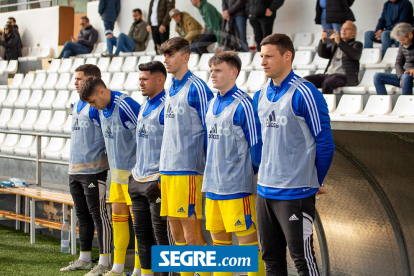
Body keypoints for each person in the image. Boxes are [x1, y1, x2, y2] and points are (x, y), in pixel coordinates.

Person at [253, 33, 335, 275]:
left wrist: (315, 181)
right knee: (271, 259)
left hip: (295, 192)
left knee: (302, 259)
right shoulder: (260, 94)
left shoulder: (306, 92)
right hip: (265, 191)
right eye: (261, 56)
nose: (263, 61)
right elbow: (259, 143)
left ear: (287, 56)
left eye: (269, 56)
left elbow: (325, 143)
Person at [204, 51, 265, 276]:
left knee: (248, 245)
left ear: (234, 72)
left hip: (237, 187)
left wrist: (248, 174)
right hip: (212, 187)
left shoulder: (244, 104)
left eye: (218, 70)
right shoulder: (210, 105)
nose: (213, 75)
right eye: (211, 70)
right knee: (220, 246)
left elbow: (257, 145)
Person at [158, 37, 213, 276]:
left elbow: (212, 128)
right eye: (164, 54)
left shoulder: (198, 87)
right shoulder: (170, 87)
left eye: (171, 54)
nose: (166, 59)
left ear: (186, 56)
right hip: (168, 171)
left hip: (188, 171)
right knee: (177, 235)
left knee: (192, 236)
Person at [79, 78, 142, 276]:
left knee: (139, 223)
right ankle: (118, 267)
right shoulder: (96, 109)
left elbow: (144, 134)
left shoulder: (126, 105)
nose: (91, 106)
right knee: (119, 220)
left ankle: (140, 269)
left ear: (102, 93)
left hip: (134, 176)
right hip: (116, 176)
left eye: (92, 101)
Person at [59, 64, 112, 276]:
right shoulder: (77, 104)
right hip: (75, 169)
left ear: (91, 80)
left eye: (79, 78)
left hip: (94, 171)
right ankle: (85, 258)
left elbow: (109, 138)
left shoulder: (97, 106)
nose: (75, 82)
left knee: (99, 215)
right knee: (82, 215)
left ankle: (106, 261)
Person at [129, 61, 173, 276]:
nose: (141, 83)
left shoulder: (169, 105)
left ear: (160, 80)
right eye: (140, 79)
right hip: (138, 177)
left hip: (157, 179)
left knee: (161, 234)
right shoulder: (144, 104)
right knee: (141, 233)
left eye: (145, 79)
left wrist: (163, 175)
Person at [304, 21, 362, 94]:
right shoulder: (335, 44)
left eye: (347, 28)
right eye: (342, 28)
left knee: (328, 82)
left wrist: (340, 42)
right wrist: (323, 42)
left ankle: (324, 104)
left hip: (344, 76)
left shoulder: (357, 44)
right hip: (328, 74)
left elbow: (355, 56)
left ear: (354, 33)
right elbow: (323, 54)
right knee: (305, 81)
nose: (343, 30)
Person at [374, 23, 414, 95]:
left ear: (410, 35)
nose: (401, 44)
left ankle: (406, 104)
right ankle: (384, 104)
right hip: (405, 77)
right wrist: (400, 77)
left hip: (410, 77)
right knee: (378, 77)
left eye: (403, 40)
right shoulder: (402, 44)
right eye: (399, 41)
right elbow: (398, 62)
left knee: (406, 77)